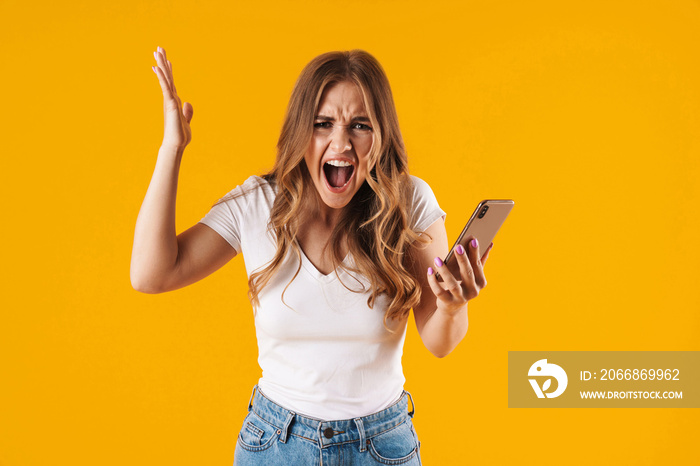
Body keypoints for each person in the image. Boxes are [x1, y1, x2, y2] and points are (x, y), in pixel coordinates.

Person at [131, 46, 494, 466]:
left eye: (360, 125)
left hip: (381, 446)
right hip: (274, 445)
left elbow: (440, 342)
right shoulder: (258, 203)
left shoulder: (408, 202)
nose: (341, 143)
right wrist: (171, 149)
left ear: (382, 136)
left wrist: (452, 305)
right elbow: (150, 274)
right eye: (323, 124)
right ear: (301, 131)